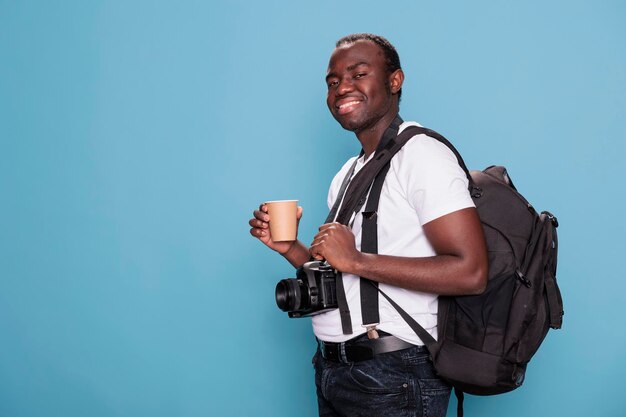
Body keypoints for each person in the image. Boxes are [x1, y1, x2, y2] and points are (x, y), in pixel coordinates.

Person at [249, 33, 488, 417]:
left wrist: (357, 260)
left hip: (395, 375)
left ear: (395, 81)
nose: (342, 87)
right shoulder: (348, 172)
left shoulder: (422, 155)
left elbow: (471, 271)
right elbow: (344, 279)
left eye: (358, 74)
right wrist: (292, 249)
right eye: (332, 81)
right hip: (334, 370)